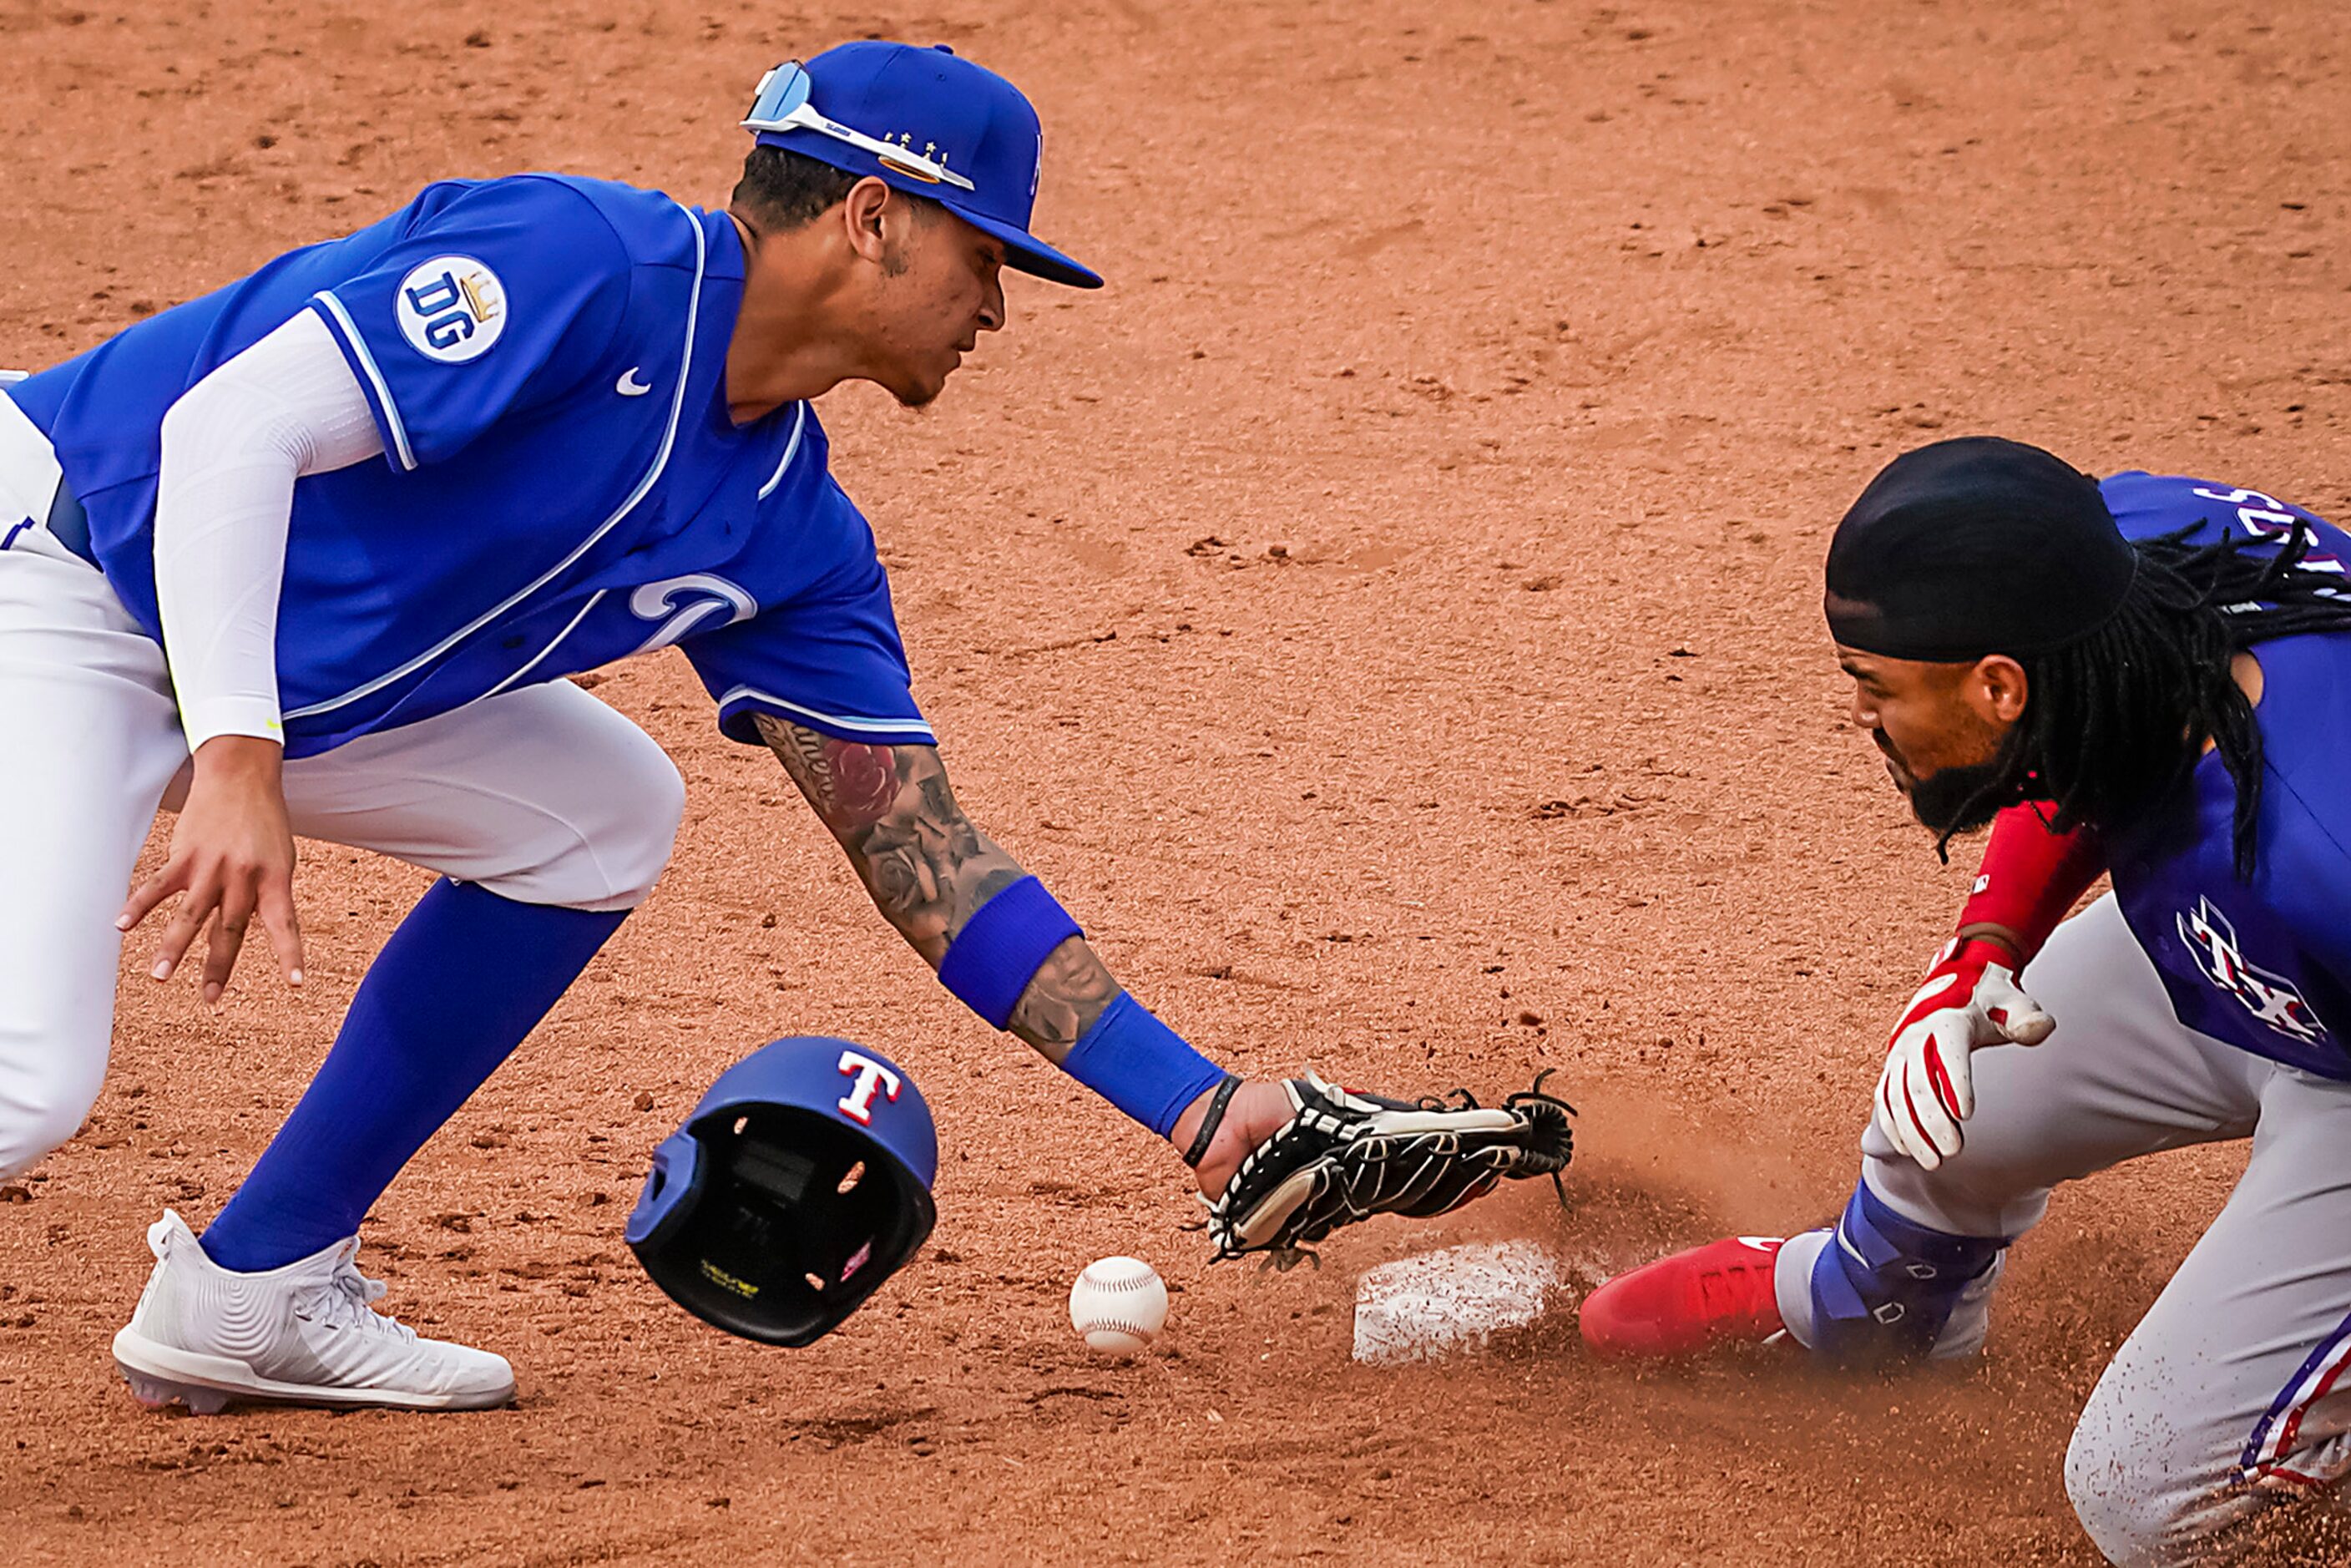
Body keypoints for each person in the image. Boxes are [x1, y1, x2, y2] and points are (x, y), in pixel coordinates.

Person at [1, 41, 1558, 1415]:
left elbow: (918, 845)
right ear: (872, 215)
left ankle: (257, 1287)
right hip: (65, 569)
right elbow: (227, 432)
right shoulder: (586, 264)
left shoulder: (793, 531)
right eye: (985, 255)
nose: (998, 310)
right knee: (32, 1080)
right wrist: (239, 755)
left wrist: (1206, 1109)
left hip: (255, 679)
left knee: (601, 810)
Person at [1580, 437, 2351, 1565]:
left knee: (2143, 1495)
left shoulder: (2323, 843)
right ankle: (1876, 1314)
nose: (1861, 717)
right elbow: (2089, 731)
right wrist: (1979, 954)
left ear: (1994, 684)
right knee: (1948, 1100)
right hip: (2251, 962)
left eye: (1874, 685)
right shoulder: (2107, 564)